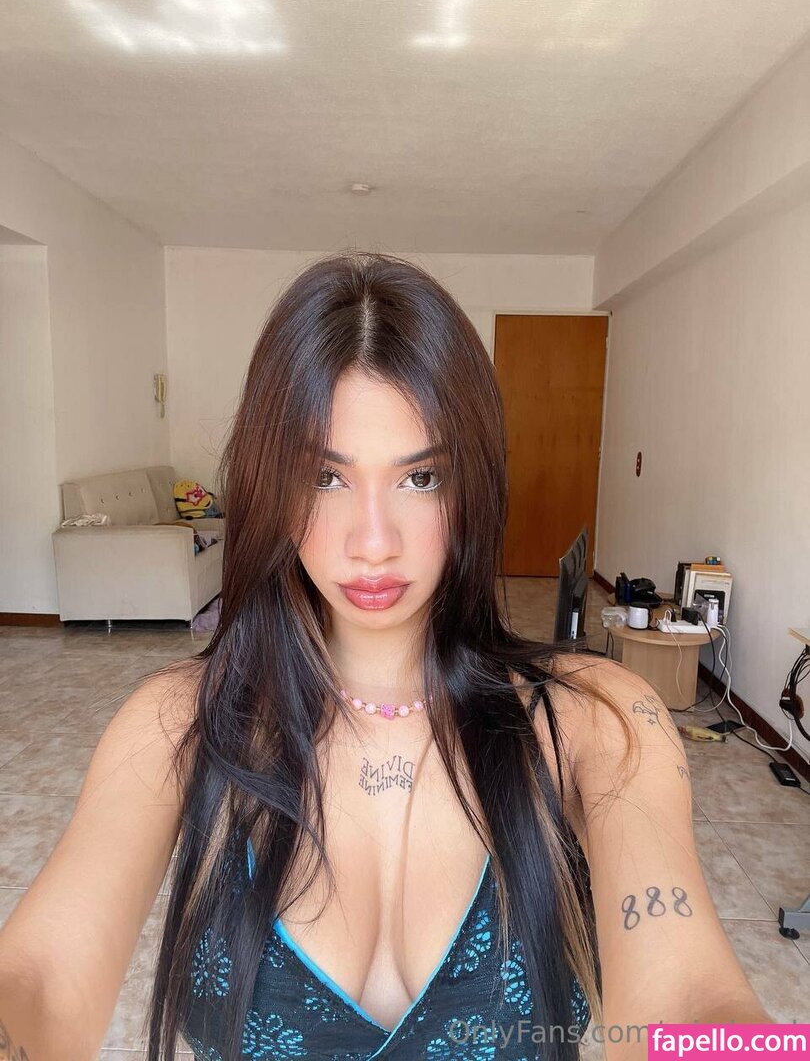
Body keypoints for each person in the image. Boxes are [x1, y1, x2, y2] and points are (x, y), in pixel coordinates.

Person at [0, 252, 771, 1061]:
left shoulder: (597, 721)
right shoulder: (175, 725)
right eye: (325, 477)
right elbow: (42, 979)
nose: (373, 542)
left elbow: (687, 997)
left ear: (473, 486)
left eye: (422, 477)